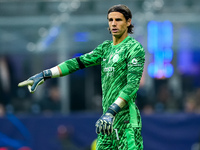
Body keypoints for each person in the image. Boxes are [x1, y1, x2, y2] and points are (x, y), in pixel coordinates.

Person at [18, 4, 145, 150]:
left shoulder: (134, 48)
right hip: (107, 123)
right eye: (110, 20)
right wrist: (45, 74)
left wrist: (111, 111)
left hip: (126, 121)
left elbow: (132, 86)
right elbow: (77, 63)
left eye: (118, 20)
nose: (113, 24)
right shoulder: (105, 48)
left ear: (128, 22)